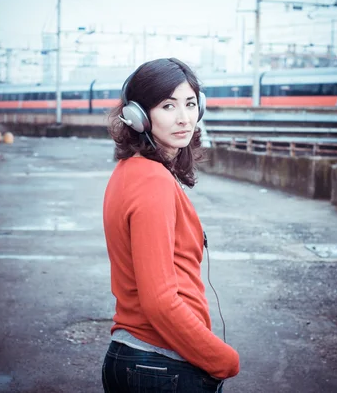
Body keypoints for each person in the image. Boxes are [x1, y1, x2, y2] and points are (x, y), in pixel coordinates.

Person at [102, 58, 240, 393]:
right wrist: (222, 358)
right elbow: (160, 300)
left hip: (145, 364)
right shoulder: (152, 182)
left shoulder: (131, 171)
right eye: (168, 105)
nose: (184, 118)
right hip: (160, 367)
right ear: (137, 115)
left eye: (191, 104)